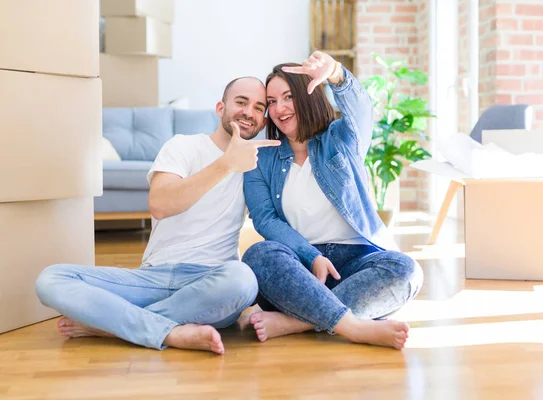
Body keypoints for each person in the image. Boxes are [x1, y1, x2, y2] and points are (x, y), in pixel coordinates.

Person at [35, 77, 281, 354]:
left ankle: (110, 326)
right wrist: (226, 164)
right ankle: (170, 331)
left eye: (259, 108)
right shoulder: (183, 146)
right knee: (51, 280)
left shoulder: (257, 166)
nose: (249, 112)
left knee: (243, 279)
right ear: (220, 107)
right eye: (241, 102)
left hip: (211, 284)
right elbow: (161, 204)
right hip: (152, 278)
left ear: (263, 121)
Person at [242, 51, 423, 350]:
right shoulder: (260, 157)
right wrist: (311, 256)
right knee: (258, 255)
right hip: (299, 271)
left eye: (288, 97)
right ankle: (353, 326)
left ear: (308, 95)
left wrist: (337, 73)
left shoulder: (342, 139)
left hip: (357, 263)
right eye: (272, 102)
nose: (279, 108)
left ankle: (298, 322)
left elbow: (362, 109)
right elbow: (265, 219)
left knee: (406, 270)